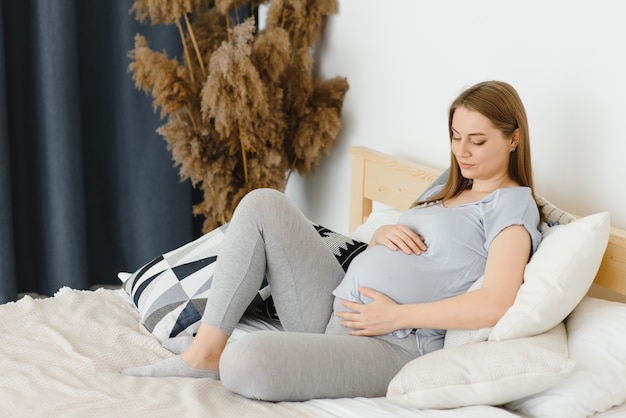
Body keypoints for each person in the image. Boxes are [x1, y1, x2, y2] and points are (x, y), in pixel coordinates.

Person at [124, 80, 543, 402]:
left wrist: (395, 317)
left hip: (388, 345)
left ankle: (226, 356)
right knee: (263, 203)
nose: (462, 152)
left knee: (247, 359)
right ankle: (204, 353)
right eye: (455, 136)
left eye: (478, 140)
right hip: (333, 307)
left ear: (514, 138)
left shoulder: (511, 205)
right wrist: (380, 234)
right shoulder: (446, 187)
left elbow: (496, 301)